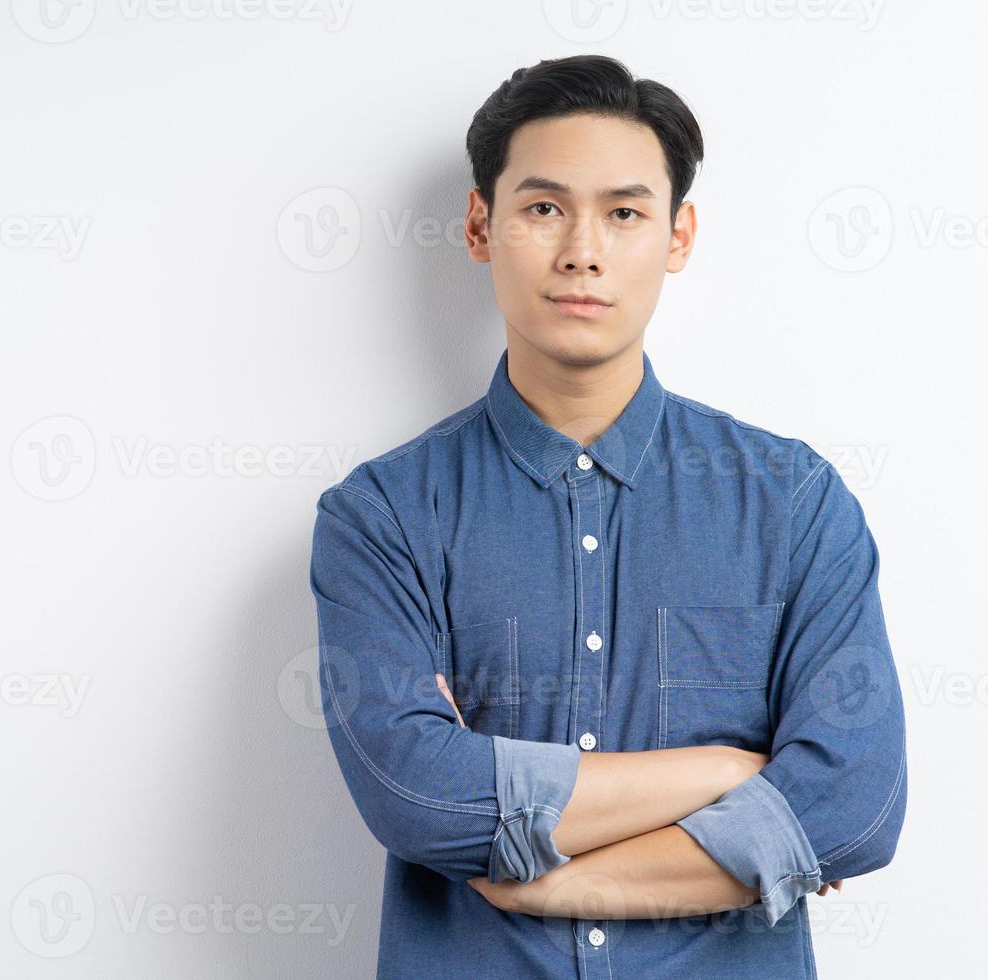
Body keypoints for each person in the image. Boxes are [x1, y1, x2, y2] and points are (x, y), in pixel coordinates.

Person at [307, 53, 906, 978]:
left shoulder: (793, 503)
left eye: (624, 212)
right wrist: (730, 771)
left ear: (677, 234)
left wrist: (546, 881)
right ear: (481, 224)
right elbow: (417, 796)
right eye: (543, 208)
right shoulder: (383, 516)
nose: (583, 249)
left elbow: (855, 804)